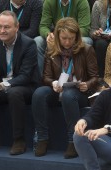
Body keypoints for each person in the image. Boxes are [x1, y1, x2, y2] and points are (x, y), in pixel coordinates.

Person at [0, 10, 40, 155]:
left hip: (25, 87)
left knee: (14, 93)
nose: (2, 31)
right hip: (2, 86)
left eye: (6, 27)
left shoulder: (29, 44)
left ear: (17, 27)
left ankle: (19, 140)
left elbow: (25, 76)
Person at [32, 17, 99, 158]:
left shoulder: (86, 49)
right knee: (39, 93)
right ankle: (42, 138)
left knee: (69, 95)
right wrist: (53, 83)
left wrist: (87, 84)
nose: (67, 42)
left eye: (71, 38)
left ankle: (72, 140)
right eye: (63, 38)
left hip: (79, 93)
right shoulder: (51, 50)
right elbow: (46, 77)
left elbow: (95, 77)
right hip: (58, 90)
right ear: (57, 37)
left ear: (77, 37)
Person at [35, 0, 92, 75]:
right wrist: (48, 34)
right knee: (38, 41)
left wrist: (70, 36)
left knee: (86, 41)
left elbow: (85, 28)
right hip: (58, 36)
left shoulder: (81, 2)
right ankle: (43, 78)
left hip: (74, 36)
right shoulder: (49, 2)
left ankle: (78, 77)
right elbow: (43, 26)